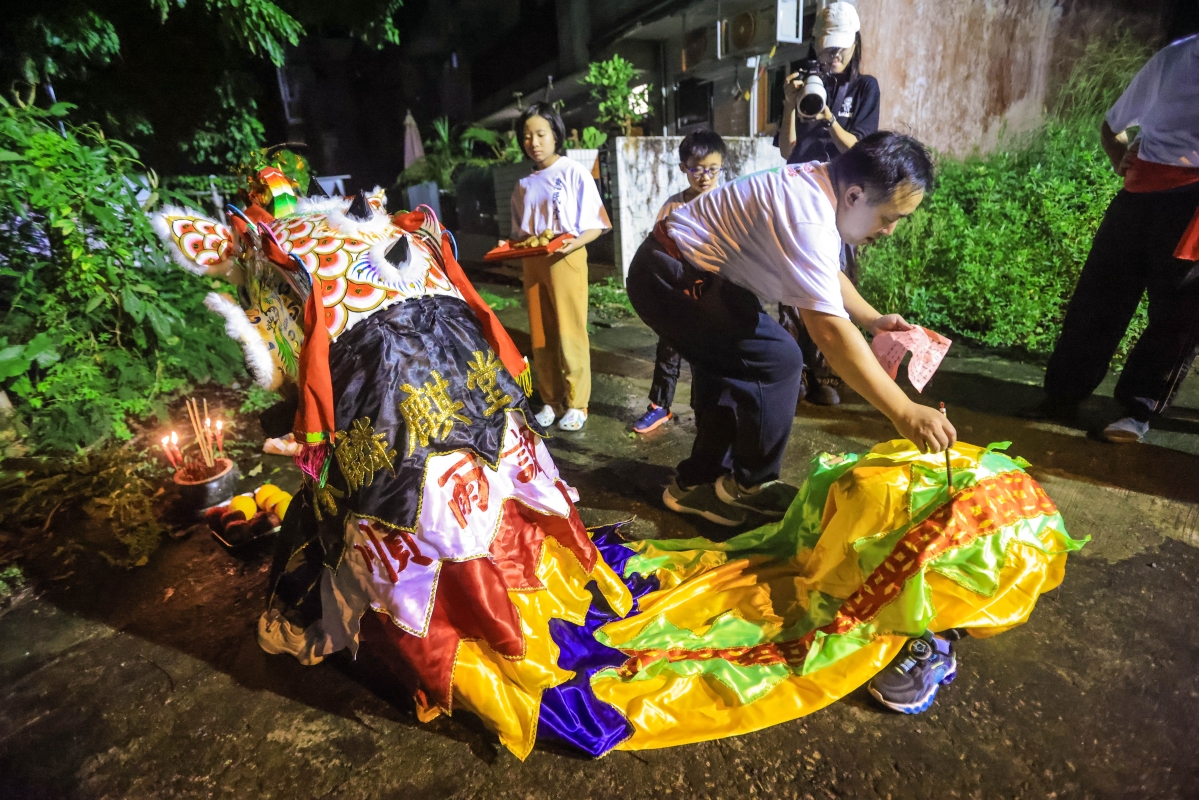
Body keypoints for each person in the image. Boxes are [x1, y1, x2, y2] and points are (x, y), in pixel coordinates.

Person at [626, 131, 955, 527]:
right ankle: (748, 486)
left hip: (683, 271)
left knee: (733, 369)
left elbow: (825, 272)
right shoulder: (809, 213)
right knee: (777, 360)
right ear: (854, 196)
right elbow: (829, 333)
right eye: (889, 218)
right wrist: (904, 412)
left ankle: (697, 483)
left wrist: (870, 319)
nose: (889, 231)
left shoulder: (821, 184)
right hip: (674, 278)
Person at [1034, 34, 1199, 443]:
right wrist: (1119, 160)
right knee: (1098, 298)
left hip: (1194, 205)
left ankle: (1136, 410)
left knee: (1177, 315)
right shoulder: (1177, 57)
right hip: (1141, 193)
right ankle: (1063, 394)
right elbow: (1113, 124)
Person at [775, 0, 881, 406]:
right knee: (791, 288)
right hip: (800, 197)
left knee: (835, 287)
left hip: (841, 203)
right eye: (825, 48)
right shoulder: (806, 83)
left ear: (855, 43)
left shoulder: (864, 87)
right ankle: (794, 371)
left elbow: (860, 150)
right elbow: (788, 150)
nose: (832, 56)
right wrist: (790, 105)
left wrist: (829, 121)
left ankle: (826, 375)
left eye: (839, 48)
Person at [510, 102, 612, 432]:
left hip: (567, 255)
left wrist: (576, 243)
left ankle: (577, 403)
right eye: (527, 136)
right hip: (533, 261)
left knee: (571, 332)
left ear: (555, 135)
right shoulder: (523, 185)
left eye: (541, 134)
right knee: (541, 335)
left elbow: (596, 224)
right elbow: (518, 234)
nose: (534, 142)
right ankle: (551, 400)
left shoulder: (572, 172)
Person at [632, 130, 727, 434]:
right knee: (668, 347)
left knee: (709, 355)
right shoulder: (673, 206)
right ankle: (660, 406)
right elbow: (660, 245)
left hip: (712, 291)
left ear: (721, 166)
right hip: (678, 290)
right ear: (684, 168)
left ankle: (706, 409)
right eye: (696, 168)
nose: (704, 176)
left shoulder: (727, 201)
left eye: (712, 168)